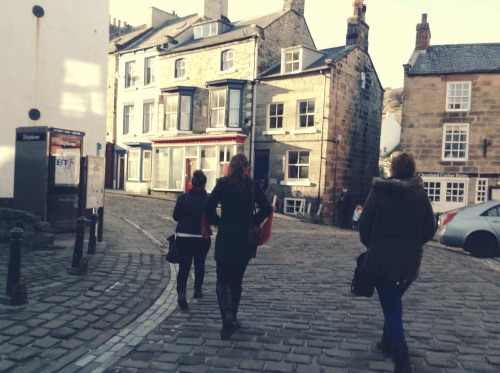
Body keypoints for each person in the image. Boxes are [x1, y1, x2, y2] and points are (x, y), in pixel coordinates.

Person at [358, 152, 436, 373]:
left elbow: (364, 222)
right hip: (410, 262)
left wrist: (370, 244)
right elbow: (429, 228)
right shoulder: (420, 194)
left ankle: (402, 362)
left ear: (392, 169)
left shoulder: (381, 190)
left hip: (382, 259)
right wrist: (414, 244)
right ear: (412, 169)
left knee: (392, 308)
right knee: (393, 300)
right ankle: (386, 342)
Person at [203, 154, 272, 340]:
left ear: (230, 167)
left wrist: (218, 222)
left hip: (226, 237)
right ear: (246, 167)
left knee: (221, 281)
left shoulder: (222, 184)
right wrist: (253, 221)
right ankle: (232, 317)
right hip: (244, 239)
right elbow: (267, 208)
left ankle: (226, 315)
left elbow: (208, 207)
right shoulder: (252, 186)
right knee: (237, 281)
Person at [172, 170, 211, 310]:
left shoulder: (182, 198)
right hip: (202, 237)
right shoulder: (207, 200)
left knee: (184, 267)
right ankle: (197, 290)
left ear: (191, 183)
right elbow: (212, 218)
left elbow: (175, 216)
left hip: (184, 237)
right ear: (204, 184)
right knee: (199, 264)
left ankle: (181, 292)